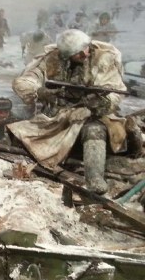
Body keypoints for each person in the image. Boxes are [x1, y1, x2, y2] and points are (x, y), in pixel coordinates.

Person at [9, 29, 142, 194]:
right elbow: (24, 81)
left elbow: (115, 92)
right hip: (58, 117)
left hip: (95, 115)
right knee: (21, 133)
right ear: (66, 55)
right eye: (78, 53)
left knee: (94, 130)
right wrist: (41, 92)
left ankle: (94, 179)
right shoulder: (51, 58)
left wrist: (97, 103)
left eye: (85, 48)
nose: (85, 53)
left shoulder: (103, 58)